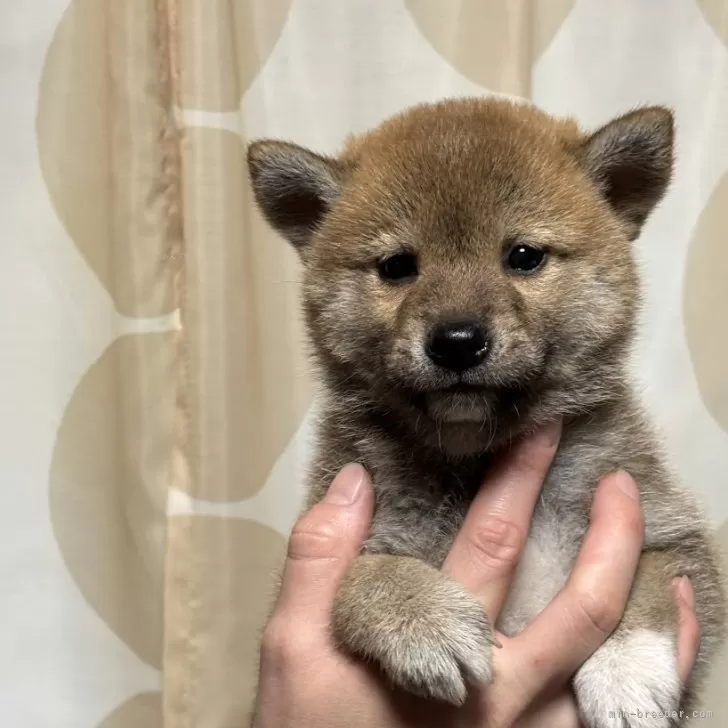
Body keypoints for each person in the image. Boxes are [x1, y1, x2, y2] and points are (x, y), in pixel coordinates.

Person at [251, 423, 700, 728]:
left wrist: (639, 628)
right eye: (395, 274)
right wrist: (378, 591)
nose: (457, 324)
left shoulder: (608, 440)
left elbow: (682, 565)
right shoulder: (364, 451)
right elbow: (325, 614)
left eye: (523, 272)